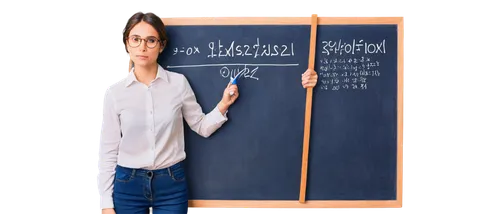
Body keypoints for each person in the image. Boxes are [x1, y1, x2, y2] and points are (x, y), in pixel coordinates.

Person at [97, 10, 318, 214]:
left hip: (171, 184)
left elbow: (201, 126)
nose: (142, 47)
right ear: (126, 44)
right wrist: (105, 204)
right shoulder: (115, 94)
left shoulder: (178, 84)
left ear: (161, 45)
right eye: (136, 39)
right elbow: (108, 151)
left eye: (150, 40)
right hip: (128, 184)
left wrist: (223, 104)